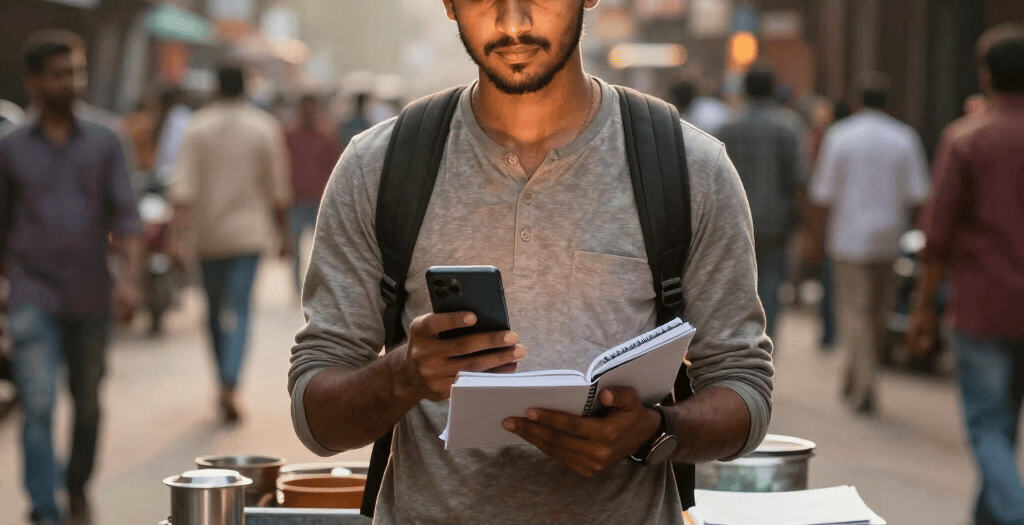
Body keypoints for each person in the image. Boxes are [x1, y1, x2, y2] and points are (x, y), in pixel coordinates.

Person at [288, 1, 773, 523]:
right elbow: (316, 417)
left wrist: (656, 431)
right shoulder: (378, 169)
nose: (513, 21)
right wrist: (403, 376)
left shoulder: (688, 169)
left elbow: (745, 388)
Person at [0, 33, 142, 525]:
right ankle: (44, 506)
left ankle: (76, 482)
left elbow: (126, 219)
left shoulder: (106, 140)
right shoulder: (10, 147)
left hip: (90, 293)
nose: (70, 83)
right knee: (36, 402)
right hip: (31, 291)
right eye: (59, 74)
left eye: (76, 72)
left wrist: (130, 281)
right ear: (35, 81)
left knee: (86, 406)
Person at [908, 32, 1024, 525]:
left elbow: (937, 235)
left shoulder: (967, 137)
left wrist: (921, 308)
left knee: (987, 427)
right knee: (1003, 426)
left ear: (985, 76)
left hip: (983, 304)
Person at [169, 65, 291, 423]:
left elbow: (183, 189)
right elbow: (278, 189)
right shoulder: (263, 126)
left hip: (207, 236)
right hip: (248, 236)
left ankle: (223, 379)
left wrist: (176, 238)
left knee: (212, 312)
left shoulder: (198, 126)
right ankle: (230, 382)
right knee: (238, 311)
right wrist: (283, 234)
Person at [809, 72, 930, 414]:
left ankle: (861, 381)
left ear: (856, 102)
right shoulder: (904, 137)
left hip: (848, 238)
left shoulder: (840, 136)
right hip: (890, 238)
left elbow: (823, 193)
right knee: (878, 314)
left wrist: (816, 237)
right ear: (888, 103)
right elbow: (918, 194)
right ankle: (861, 379)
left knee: (856, 313)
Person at [716, 65, 805, 340]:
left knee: (737, 286)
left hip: (733, 222)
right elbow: (799, 179)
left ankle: (740, 341)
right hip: (775, 222)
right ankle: (766, 344)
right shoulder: (788, 126)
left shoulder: (727, 128)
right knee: (770, 284)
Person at [284, 94, 342, 295]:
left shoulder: (326, 137)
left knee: (322, 249)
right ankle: (297, 288)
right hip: (297, 201)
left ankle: (320, 287)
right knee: (295, 250)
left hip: (319, 201)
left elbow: (334, 168)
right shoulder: (289, 136)